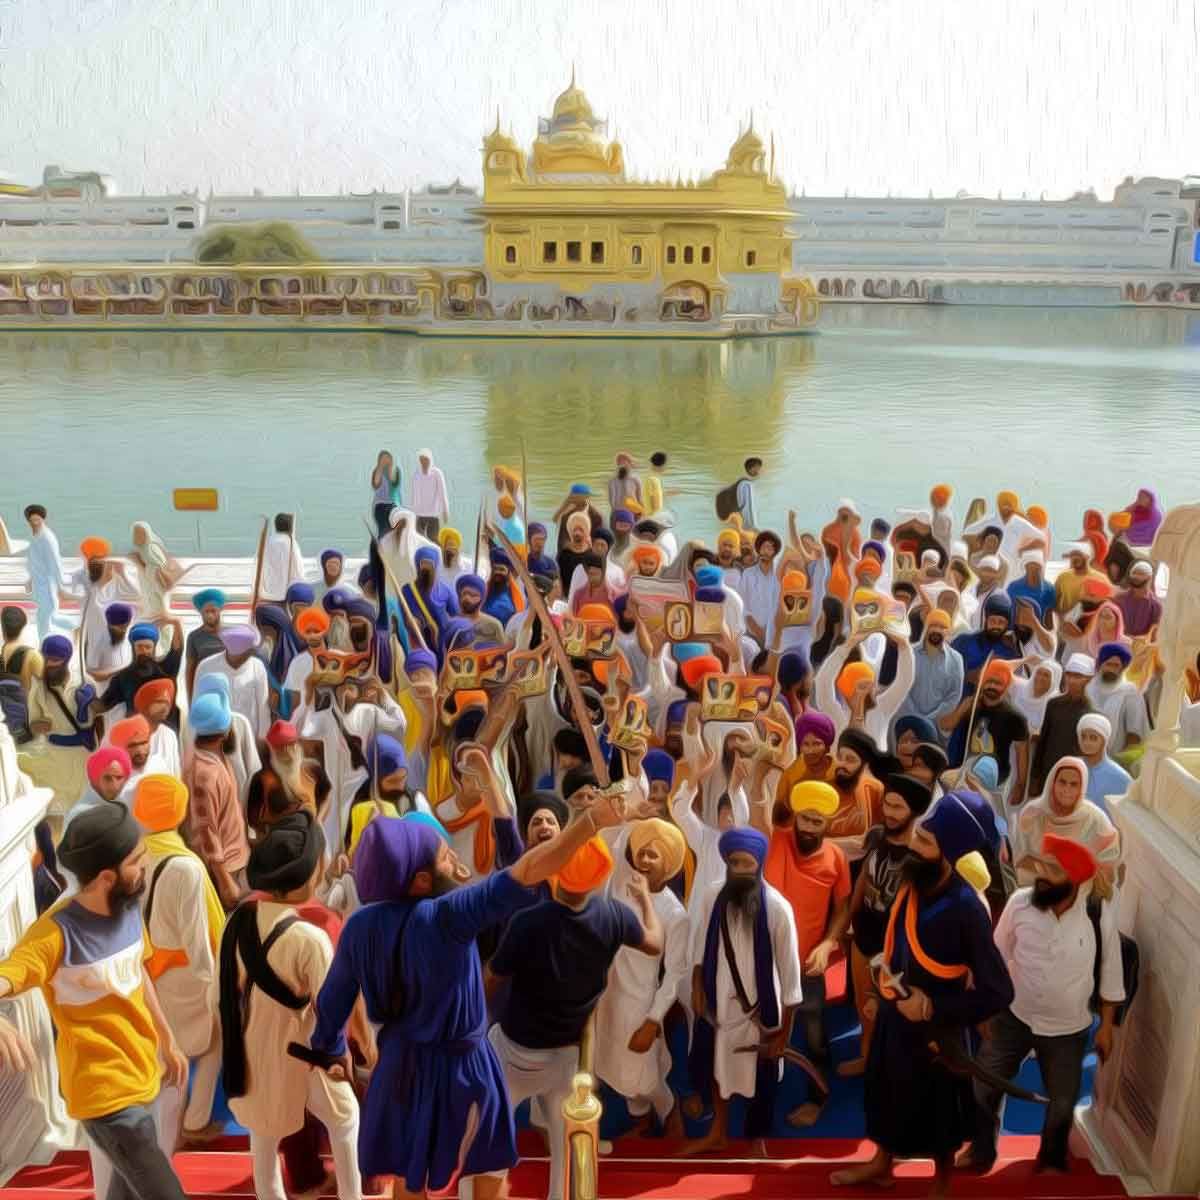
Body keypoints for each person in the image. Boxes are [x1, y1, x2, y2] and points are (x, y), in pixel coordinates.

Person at [305, 765, 630, 1200]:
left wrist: (328, 1048)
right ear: (419, 880)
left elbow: (331, 1004)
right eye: (442, 856)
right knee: (489, 1179)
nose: (452, 860)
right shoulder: (449, 916)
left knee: (407, 1183)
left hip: (398, 1070)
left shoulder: (360, 926)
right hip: (466, 1071)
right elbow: (532, 868)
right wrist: (590, 822)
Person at [0, 803, 189, 1200]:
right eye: (138, 860)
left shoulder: (129, 905)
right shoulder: (53, 935)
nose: (148, 863)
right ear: (107, 876)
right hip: (104, 1097)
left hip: (144, 1076)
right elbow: (8, 974)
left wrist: (167, 1038)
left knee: (126, 1191)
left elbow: (137, 974)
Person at [831, 791, 1015, 1196]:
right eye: (920, 834)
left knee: (938, 1110)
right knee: (884, 1090)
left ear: (949, 853)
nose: (914, 843)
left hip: (938, 1031)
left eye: (927, 842)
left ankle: (942, 1181)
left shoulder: (967, 908)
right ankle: (881, 1165)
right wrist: (883, 997)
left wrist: (935, 1006)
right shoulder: (913, 881)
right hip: (894, 1017)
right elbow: (898, 946)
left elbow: (998, 990)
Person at [489, 834, 663, 1198]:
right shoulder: (615, 916)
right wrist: (646, 899)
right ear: (599, 876)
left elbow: (492, 978)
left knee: (489, 1146)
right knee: (567, 1167)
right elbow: (655, 942)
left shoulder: (526, 922)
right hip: (568, 1057)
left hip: (513, 1052)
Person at [219, 811, 363, 1200]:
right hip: (304, 1051)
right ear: (309, 873)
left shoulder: (237, 921)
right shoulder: (309, 939)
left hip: (253, 1047)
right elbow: (330, 1007)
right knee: (345, 1118)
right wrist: (337, 1054)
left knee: (263, 1140)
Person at [964, 833, 1124, 1175]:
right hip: (1013, 1016)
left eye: (1051, 870)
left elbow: (1112, 971)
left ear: (1074, 879)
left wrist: (1107, 1027)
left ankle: (1051, 1162)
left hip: (1068, 1029)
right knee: (982, 1086)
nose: (1040, 874)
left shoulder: (1098, 914)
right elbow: (995, 957)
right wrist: (986, 1008)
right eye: (1041, 866)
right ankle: (980, 1151)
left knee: (1062, 1103)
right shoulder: (1020, 903)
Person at [686, 826, 802, 1155]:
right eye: (734, 863)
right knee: (716, 1066)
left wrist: (783, 1035)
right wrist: (697, 983)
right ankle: (718, 1131)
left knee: (760, 1078)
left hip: (760, 1015)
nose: (739, 870)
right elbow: (699, 945)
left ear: (760, 863)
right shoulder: (712, 895)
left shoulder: (778, 909)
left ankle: (756, 1140)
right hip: (718, 1006)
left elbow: (792, 980)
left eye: (746, 863)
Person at [131, 774, 226, 1146]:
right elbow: (198, 938)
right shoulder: (186, 867)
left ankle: (166, 1128)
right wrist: (214, 985)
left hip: (151, 971)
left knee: (166, 1050)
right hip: (186, 974)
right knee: (211, 1042)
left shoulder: (137, 853)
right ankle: (192, 1122)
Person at [759, 780, 851, 1126]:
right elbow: (758, 804)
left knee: (814, 1032)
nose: (809, 827)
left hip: (809, 960)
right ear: (795, 816)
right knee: (764, 1027)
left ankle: (818, 1098)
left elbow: (843, 908)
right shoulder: (775, 840)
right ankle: (759, 1093)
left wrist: (828, 944)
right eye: (805, 819)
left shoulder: (837, 857)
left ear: (829, 824)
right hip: (767, 955)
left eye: (817, 822)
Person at [593, 818, 689, 1136]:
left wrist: (653, 1021)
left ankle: (670, 1110)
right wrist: (629, 812)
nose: (645, 860)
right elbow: (611, 839)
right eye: (642, 853)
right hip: (607, 996)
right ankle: (641, 1120)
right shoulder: (623, 885)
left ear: (669, 865)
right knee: (611, 1064)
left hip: (639, 1003)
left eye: (654, 855)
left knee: (642, 1073)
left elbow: (675, 972)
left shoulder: (675, 914)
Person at [842, 773, 934, 1078]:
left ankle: (890, 1075)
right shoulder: (876, 837)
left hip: (896, 953)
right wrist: (845, 926)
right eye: (888, 804)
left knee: (893, 1016)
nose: (890, 812)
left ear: (915, 812)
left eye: (898, 807)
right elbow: (862, 884)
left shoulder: (921, 855)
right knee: (863, 1010)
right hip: (863, 941)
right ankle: (867, 1060)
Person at [183, 692, 249, 910]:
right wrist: (225, 881)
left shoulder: (212, 757)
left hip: (232, 863)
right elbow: (206, 829)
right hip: (223, 871)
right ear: (224, 731)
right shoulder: (205, 774)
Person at [1015, 756, 1122, 887]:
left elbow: (1108, 868)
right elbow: (1019, 859)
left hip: (1080, 896)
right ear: (1052, 782)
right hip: (1033, 891)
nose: (1067, 789)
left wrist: (1066, 877)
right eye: (1062, 782)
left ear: (1082, 788)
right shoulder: (1032, 814)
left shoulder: (1096, 819)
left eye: (1074, 784)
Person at [23, 635, 96, 823]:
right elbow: (33, 724)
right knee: (69, 808)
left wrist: (88, 704)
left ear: (66, 660)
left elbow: (100, 719)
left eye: (55, 660)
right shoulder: (38, 687)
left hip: (85, 755)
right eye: (46, 658)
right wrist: (40, 725)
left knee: (89, 804)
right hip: (58, 756)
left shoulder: (84, 682)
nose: (49, 664)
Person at [815, 627, 915, 752]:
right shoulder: (836, 716)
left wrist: (904, 646)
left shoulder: (881, 708)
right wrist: (846, 647)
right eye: (860, 686)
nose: (865, 690)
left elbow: (904, 680)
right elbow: (822, 682)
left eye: (868, 684)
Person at [942, 659, 1030, 803]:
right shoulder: (971, 704)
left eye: (998, 683)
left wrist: (1020, 785)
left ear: (1006, 686)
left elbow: (1022, 752)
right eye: (989, 681)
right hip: (964, 772)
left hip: (996, 779)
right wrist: (963, 709)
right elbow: (946, 726)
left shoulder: (1015, 716)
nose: (992, 686)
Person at [66, 538, 142, 681]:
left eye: (102, 558)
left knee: (113, 665)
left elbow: (136, 593)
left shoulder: (115, 579)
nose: (101, 562)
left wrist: (122, 572)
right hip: (91, 632)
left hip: (113, 631)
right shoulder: (80, 577)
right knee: (91, 670)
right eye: (95, 559)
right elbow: (90, 600)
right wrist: (103, 579)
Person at [100, 619, 184, 733]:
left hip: (166, 734)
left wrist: (176, 623)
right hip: (136, 735)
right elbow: (103, 705)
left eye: (147, 647)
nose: (143, 651)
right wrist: (87, 699)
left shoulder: (167, 668)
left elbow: (177, 649)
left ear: (154, 647)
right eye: (139, 646)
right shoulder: (123, 677)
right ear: (133, 648)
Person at [1029, 653, 1095, 797]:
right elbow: (1043, 741)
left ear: (1089, 679)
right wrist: (1034, 777)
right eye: (1069, 675)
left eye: (1078, 676)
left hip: (1071, 780)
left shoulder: (1091, 713)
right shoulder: (1054, 704)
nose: (1072, 680)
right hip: (1047, 772)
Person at [893, 609, 963, 741]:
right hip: (907, 726)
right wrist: (917, 717)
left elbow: (954, 696)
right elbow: (902, 688)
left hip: (937, 730)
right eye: (933, 625)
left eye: (942, 627)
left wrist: (930, 719)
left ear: (948, 631)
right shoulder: (909, 654)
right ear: (926, 627)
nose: (937, 630)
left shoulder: (956, 659)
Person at [194, 625, 271, 741]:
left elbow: (263, 705)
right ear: (237, 652)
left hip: (248, 737)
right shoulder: (206, 667)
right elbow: (198, 705)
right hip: (215, 738)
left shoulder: (257, 666)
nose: (254, 653)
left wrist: (262, 738)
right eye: (250, 650)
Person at [1085, 643, 1148, 755]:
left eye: (1116, 666)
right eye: (1108, 664)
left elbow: (1135, 733)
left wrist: (1121, 759)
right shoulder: (1088, 688)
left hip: (1116, 757)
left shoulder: (1130, 692)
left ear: (1122, 668)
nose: (1111, 670)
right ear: (1100, 665)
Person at [23, 504, 72, 640]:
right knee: (44, 617)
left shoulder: (47, 538)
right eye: (32, 520)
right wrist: (29, 580)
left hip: (48, 584)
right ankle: (44, 643)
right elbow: (33, 560)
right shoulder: (35, 535)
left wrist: (61, 587)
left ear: (43, 519)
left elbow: (56, 563)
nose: (35, 523)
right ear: (28, 521)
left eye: (38, 520)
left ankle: (76, 627)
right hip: (39, 583)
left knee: (50, 616)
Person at [185, 588, 227, 700]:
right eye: (206, 612)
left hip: (228, 687)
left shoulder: (230, 634)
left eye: (213, 611)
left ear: (220, 610)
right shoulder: (193, 637)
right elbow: (190, 671)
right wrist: (191, 700)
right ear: (201, 613)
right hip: (204, 690)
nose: (209, 615)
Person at [260, 513, 305, 604]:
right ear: (290, 527)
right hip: (287, 594)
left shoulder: (269, 542)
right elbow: (298, 569)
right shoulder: (291, 543)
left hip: (270, 591)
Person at [1114, 558, 1161, 637]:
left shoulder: (1155, 606)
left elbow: (1152, 635)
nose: (1136, 577)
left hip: (1138, 646)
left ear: (1149, 578)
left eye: (1141, 574)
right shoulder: (1118, 598)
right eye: (1134, 573)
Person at [410, 448, 450, 540]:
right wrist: (412, 515)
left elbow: (443, 493)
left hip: (433, 515)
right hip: (419, 516)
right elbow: (414, 497)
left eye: (426, 460)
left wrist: (445, 511)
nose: (424, 463)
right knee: (419, 542)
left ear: (430, 460)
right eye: (421, 460)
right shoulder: (416, 475)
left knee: (434, 541)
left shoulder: (437, 473)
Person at [371, 450, 402, 535]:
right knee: (383, 531)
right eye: (383, 459)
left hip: (393, 505)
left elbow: (394, 483)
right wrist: (380, 468)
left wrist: (390, 468)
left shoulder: (395, 470)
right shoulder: (377, 471)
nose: (385, 461)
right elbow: (375, 484)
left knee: (393, 531)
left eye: (387, 458)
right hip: (380, 505)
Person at [735, 456, 762, 529]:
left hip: (743, 525)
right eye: (758, 468)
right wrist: (754, 527)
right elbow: (749, 507)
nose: (759, 471)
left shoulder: (742, 483)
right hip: (748, 526)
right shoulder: (747, 485)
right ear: (752, 469)